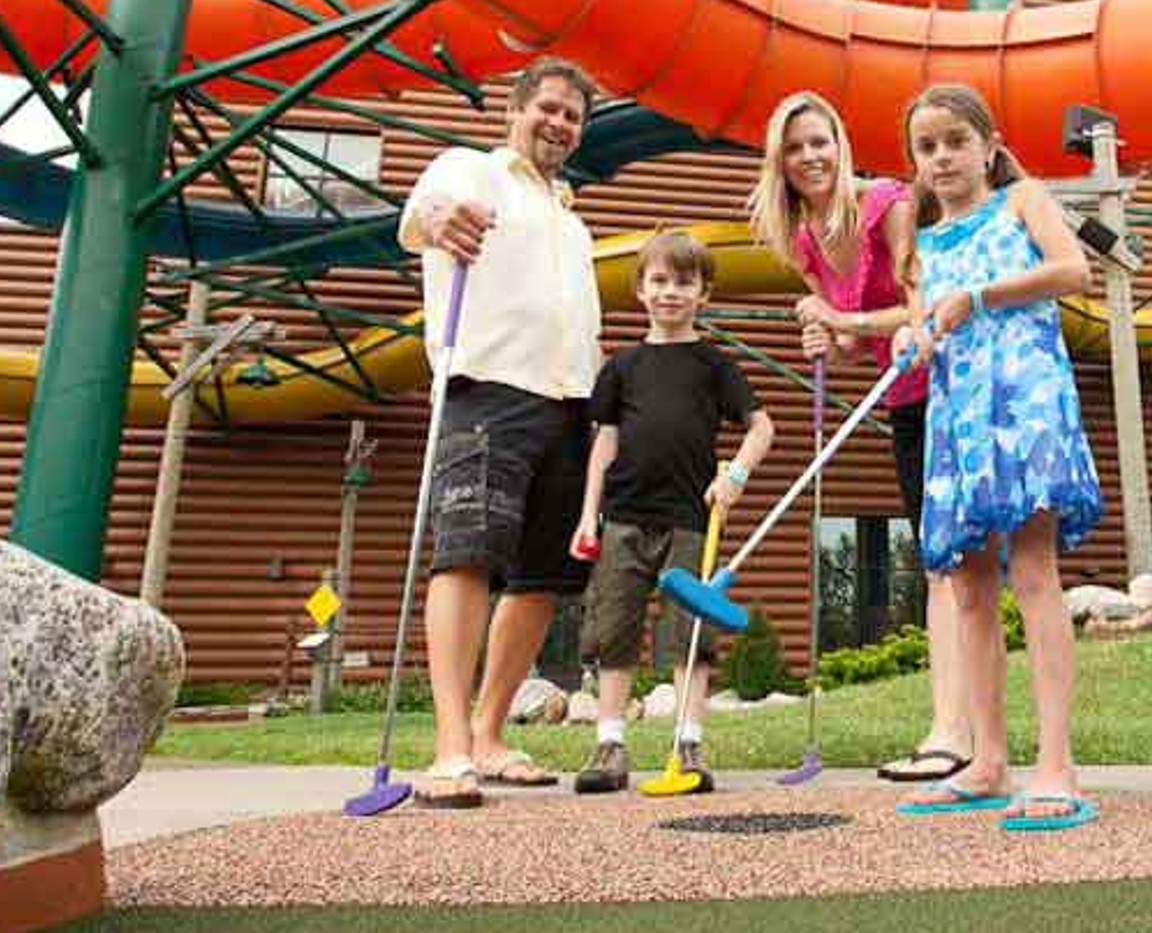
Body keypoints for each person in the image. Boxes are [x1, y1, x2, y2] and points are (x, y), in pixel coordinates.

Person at [891, 84, 1104, 831]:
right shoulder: (918, 245)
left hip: (1027, 402)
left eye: (955, 140)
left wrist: (979, 298)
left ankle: (1056, 764)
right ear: (915, 162)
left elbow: (1074, 271)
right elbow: (920, 323)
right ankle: (986, 761)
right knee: (970, 589)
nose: (943, 156)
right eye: (927, 147)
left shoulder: (1024, 201)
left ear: (988, 144)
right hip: (959, 419)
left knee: (1034, 572)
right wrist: (908, 335)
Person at [746, 90, 971, 784]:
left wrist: (847, 322)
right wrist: (824, 330)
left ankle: (954, 731)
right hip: (903, 399)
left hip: (951, 386)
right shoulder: (807, 240)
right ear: (778, 163)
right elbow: (851, 343)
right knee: (942, 560)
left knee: (955, 562)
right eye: (795, 146)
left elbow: (916, 304)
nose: (811, 156)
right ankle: (957, 731)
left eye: (821, 141)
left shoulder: (886, 203)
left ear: (840, 145)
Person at [397, 58, 604, 803]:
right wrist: (437, 223)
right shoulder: (471, 171)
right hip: (486, 390)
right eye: (548, 108)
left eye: (573, 117)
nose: (559, 124)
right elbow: (421, 216)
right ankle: (450, 746)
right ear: (516, 110)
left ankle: (489, 734)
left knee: (544, 577)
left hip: (569, 403)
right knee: (467, 556)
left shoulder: (573, 220)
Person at [568, 231, 776, 794]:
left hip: (692, 519)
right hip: (624, 518)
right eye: (659, 281)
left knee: (690, 635)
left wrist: (734, 476)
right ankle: (610, 744)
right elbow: (603, 446)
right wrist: (589, 516)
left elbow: (762, 428)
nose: (670, 293)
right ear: (640, 289)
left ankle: (688, 742)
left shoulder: (713, 366)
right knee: (614, 629)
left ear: (703, 292)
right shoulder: (621, 368)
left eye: (684, 282)